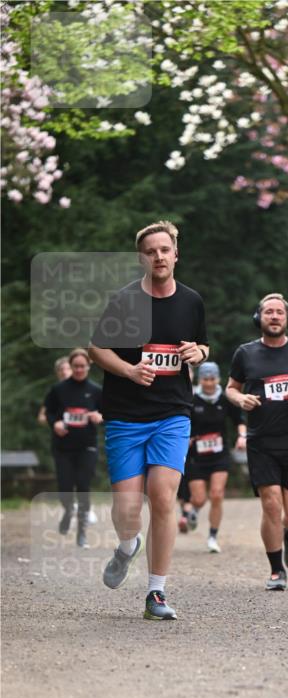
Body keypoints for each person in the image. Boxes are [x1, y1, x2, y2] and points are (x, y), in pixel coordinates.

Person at [89, 220, 209, 621]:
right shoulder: (124, 301)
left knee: (162, 496)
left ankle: (156, 592)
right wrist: (129, 370)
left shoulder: (191, 301)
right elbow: (96, 349)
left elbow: (203, 344)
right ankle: (127, 546)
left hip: (172, 413)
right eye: (150, 251)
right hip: (125, 415)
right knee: (127, 510)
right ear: (141, 258)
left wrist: (199, 353)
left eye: (164, 249)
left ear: (176, 254)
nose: (158, 256)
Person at [225, 293, 288, 590]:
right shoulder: (245, 353)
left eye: (279, 312)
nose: (274, 316)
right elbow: (231, 388)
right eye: (268, 312)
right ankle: (276, 570)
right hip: (260, 441)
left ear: (287, 318)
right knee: (271, 504)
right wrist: (240, 399)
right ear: (259, 317)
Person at [44, 348, 103, 548]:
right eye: (75, 366)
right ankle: (68, 511)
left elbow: (107, 413)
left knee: (83, 486)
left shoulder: (96, 390)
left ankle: (82, 532)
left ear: (88, 366)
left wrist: (99, 417)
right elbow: (49, 411)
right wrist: (55, 423)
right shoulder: (58, 389)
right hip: (63, 448)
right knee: (65, 488)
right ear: (70, 366)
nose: (79, 370)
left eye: (82, 366)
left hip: (87, 446)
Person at [184, 361, 246, 552]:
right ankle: (193, 510)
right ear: (200, 380)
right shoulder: (191, 399)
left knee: (217, 495)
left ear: (218, 379)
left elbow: (239, 420)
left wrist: (242, 436)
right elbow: (182, 422)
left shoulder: (225, 398)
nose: (209, 383)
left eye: (212, 379)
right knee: (199, 498)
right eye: (205, 379)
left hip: (220, 454)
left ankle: (212, 536)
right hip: (196, 456)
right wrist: (185, 438)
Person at [38, 356, 71, 426]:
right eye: (61, 369)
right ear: (57, 373)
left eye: (68, 369)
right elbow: (41, 417)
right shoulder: (53, 393)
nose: (64, 372)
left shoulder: (87, 389)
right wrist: (56, 421)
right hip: (61, 431)